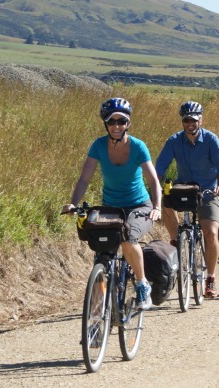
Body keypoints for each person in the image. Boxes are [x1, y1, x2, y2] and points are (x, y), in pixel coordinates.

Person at [62, 97, 162, 310]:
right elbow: (84, 179)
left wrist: (156, 207)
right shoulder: (98, 145)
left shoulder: (138, 146)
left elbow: (153, 181)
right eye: (111, 122)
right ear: (105, 124)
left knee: (128, 237)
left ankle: (143, 285)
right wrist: (72, 204)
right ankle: (98, 312)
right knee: (102, 251)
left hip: (139, 206)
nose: (116, 126)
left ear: (128, 124)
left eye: (121, 121)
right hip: (111, 208)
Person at [155, 101, 219, 299]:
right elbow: (160, 166)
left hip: (208, 191)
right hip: (184, 188)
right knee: (166, 202)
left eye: (194, 120)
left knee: (211, 232)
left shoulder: (211, 139)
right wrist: (156, 185)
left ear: (201, 120)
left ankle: (211, 278)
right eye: (186, 120)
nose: (190, 124)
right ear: (182, 121)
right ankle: (175, 240)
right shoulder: (174, 141)